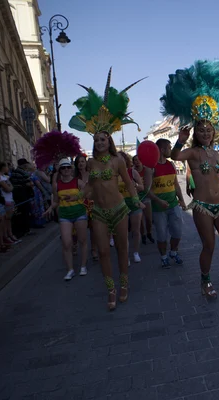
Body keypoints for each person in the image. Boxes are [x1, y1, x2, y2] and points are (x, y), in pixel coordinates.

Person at [162, 58, 219, 302]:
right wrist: (180, 139)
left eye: (208, 129)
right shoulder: (191, 152)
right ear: (196, 132)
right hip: (202, 207)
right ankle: (206, 281)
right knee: (209, 247)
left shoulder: (215, 153)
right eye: (200, 129)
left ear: (214, 132)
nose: (205, 132)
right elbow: (174, 156)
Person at [68, 68, 144, 311]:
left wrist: (136, 200)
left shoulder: (118, 161)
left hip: (120, 210)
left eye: (103, 139)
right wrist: (77, 196)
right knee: (102, 251)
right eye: (96, 139)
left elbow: (129, 182)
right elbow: (90, 186)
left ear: (108, 141)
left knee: (122, 248)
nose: (99, 142)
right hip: (99, 213)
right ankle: (110, 288)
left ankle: (124, 283)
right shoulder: (90, 163)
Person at [44, 158, 89, 280]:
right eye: (63, 168)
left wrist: (77, 196)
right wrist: (50, 209)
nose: (66, 170)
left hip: (79, 213)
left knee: (82, 240)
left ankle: (83, 266)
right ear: (60, 170)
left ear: (71, 169)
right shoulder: (57, 185)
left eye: (68, 167)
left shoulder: (78, 182)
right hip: (64, 215)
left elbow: (88, 192)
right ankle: (70, 270)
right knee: (66, 243)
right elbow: (56, 202)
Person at [148, 139, 186, 269]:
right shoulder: (151, 167)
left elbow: (175, 184)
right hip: (159, 208)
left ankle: (173, 252)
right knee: (162, 235)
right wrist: (159, 201)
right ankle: (164, 257)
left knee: (178, 233)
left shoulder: (171, 165)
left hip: (173, 205)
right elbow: (147, 190)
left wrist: (181, 200)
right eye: (169, 148)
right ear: (163, 150)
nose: (171, 150)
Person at [118, 151, 145, 263]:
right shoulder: (113, 175)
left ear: (125, 160)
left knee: (135, 231)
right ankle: (126, 256)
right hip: (121, 206)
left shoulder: (132, 172)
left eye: (121, 159)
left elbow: (142, 188)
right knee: (123, 233)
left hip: (134, 204)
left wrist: (135, 185)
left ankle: (136, 252)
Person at [133, 155, 155, 245]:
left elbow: (148, 185)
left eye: (138, 160)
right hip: (137, 197)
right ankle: (143, 235)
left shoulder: (147, 170)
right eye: (135, 160)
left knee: (149, 219)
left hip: (146, 196)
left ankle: (149, 232)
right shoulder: (133, 172)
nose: (137, 162)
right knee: (140, 221)